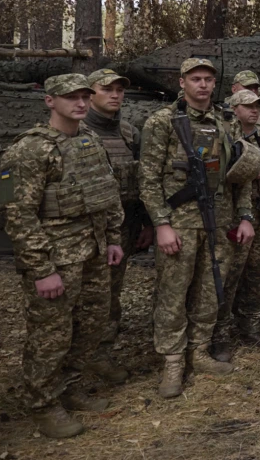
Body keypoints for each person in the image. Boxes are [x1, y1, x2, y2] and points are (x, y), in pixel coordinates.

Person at [0, 73, 125, 438]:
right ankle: (43, 404)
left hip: (94, 252)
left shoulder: (89, 140)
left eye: (85, 96)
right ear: (50, 101)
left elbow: (107, 194)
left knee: (90, 325)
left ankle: (69, 387)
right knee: (50, 335)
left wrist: (114, 239)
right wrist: (41, 269)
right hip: (57, 260)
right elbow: (17, 214)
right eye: (71, 97)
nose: (81, 103)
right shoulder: (29, 150)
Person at [139, 58, 255, 398]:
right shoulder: (163, 122)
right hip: (179, 223)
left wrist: (245, 215)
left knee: (209, 290)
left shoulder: (224, 122)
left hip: (217, 222)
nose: (202, 85)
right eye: (195, 79)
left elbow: (240, 175)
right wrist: (161, 223)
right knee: (173, 294)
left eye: (207, 79)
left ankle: (199, 352)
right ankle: (173, 362)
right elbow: (147, 179)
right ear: (183, 82)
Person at [83, 69, 151, 368]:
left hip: (122, 227)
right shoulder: (78, 131)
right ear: (90, 93)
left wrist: (146, 223)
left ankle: (100, 354)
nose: (115, 95)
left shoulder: (128, 133)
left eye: (119, 90)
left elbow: (142, 180)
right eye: (106, 89)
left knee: (111, 293)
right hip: (85, 230)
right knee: (83, 298)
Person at [212, 90, 260, 361]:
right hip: (235, 220)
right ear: (234, 108)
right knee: (229, 278)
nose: (255, 110)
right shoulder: (226, 138)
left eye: (258, 106)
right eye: (248, 106)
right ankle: (220, 335)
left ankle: (250, 327)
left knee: (257, 275)